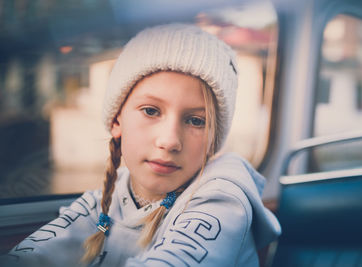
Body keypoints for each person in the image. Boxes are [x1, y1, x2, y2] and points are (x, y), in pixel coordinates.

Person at [2, 23, 280, 267]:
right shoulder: (103, 198)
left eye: (196, 121)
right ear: (117, 120)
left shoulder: (223, 199)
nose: (170, 141)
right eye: (150, 111)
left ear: (213, 140)